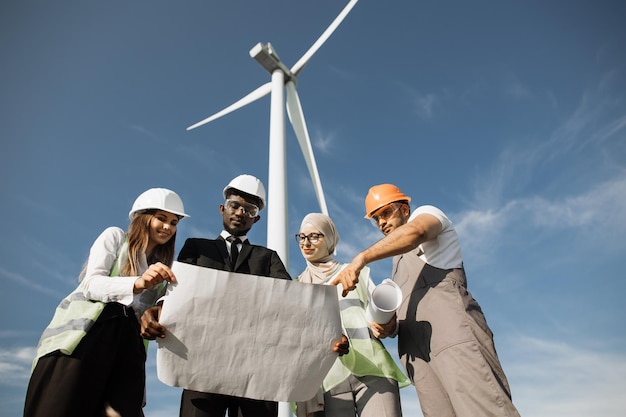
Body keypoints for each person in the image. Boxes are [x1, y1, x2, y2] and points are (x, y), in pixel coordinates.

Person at [141, 175, 348, 417]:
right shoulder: (196, 248)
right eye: (234, 205)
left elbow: (295, 303)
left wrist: (328, 333)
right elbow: (177, 290)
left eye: (249, 209)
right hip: (201, 366)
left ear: (256, 218)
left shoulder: (268, 257)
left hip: (256, 375)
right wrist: (158, 309)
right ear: (222, 208)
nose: (240, 212)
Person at [334, 184, 521, 417]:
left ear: (404, 209)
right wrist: (388, 326)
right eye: (375, 218)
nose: (381, 222)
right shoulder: (396, 267)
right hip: (417, 355)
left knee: (482, 409)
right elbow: (398, 323)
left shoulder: (428, 214)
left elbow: (415, 234)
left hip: (453, 335)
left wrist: (361, 258)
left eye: (385, 212)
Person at [24, 188, 189, 417]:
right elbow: (91, 284)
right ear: (143, 217)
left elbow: (145, 319)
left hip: (127, 353)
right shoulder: (115, 237)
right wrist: (138, 282)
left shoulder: (161, 274)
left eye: (173, 222)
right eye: (161, 218)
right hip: (84, 341)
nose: (168, 227)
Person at [295, 213, 409, 417]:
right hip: (328, 379)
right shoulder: (295, 287)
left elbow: (388, 325)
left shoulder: (355, 271)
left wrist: (389, 326)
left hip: (373, 370)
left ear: (329, 238)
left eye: (314, 236)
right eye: (302, 237)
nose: (306, 243)